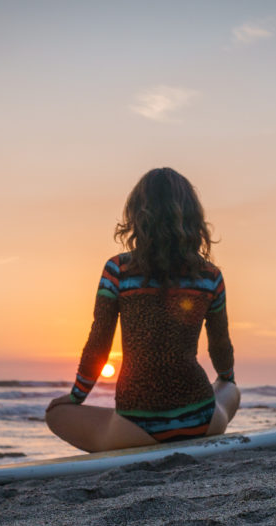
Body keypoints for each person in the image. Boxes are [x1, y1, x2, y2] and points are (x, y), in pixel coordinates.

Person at [46, 168, 240, 452]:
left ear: (137, 214)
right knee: (230, 388)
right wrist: (227, 377)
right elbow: (220, 345)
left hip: (135, 429)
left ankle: (127, 429)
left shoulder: (118, 270)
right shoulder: (209, 276)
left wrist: (77, 396)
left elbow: (99, 343)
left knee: (55, 413)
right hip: (203, 421)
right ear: (192, 217)